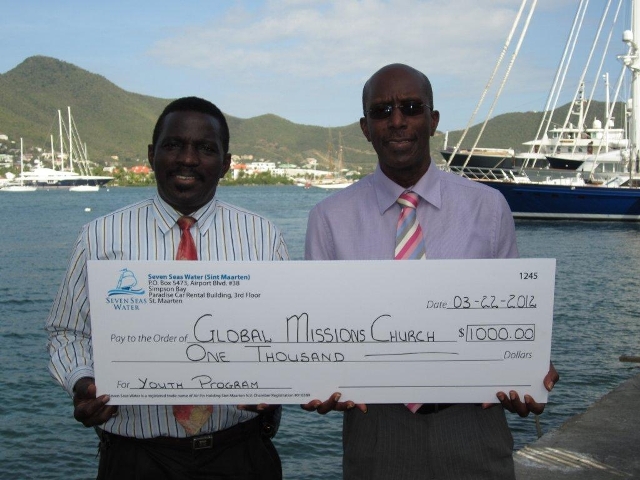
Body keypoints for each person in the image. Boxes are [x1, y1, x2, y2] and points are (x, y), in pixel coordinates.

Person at [303, 64, 559, 479]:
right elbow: (318, 333)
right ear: (366, 127)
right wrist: (313, 379)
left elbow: (512, 319)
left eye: (411, 107)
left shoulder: (489, 207)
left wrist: (528, 368)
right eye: (382, 111)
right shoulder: (328, 218)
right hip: (374, 426)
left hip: (474, 423)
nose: (397, 121)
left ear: (433, 120)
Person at [46, 97, 288, 480]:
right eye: (174, 145)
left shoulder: (263, 237)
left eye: (205, 148)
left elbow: (285, 332)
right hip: (136, 458)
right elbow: (67, 332)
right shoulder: (99, 237)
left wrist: (281, 383)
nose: (188, 159)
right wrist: (82, 382)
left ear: (226, 163)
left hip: (240, 453)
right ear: (151, 154)